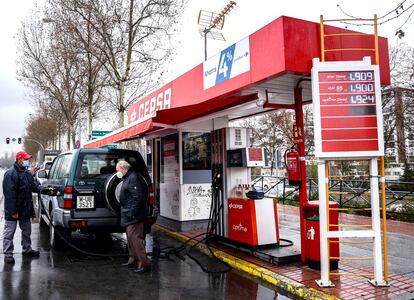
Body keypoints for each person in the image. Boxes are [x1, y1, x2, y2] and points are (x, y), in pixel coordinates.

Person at [3, 151, 42, 264]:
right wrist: (13, 211)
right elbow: (9, 195)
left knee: (26, 231)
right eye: (25, 159)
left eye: (27, 159)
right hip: (13, 210)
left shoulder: (27, 173)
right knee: (9, 232)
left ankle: (27, 249)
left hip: (25, 209)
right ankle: (8, 254)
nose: (27, 161)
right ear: (18, 159)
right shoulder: (10, 174)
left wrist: (44, 189)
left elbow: (34, 186)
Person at [116, 160, 151, 274]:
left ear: (123, 168)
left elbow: (139, 198)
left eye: (118, 170)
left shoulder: (133, 178)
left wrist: (132, 213)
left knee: (136, 239)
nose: (118, 173)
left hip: (134, 216)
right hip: (129, 214)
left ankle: (144, 264)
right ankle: (133, 260)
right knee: (130, 239)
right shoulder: (128, 177)